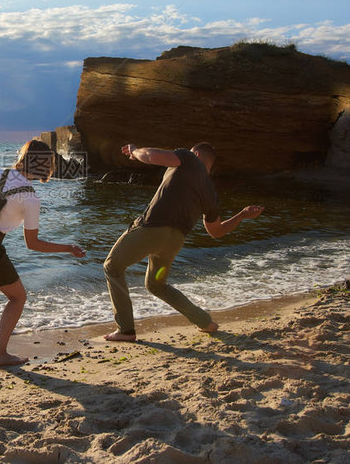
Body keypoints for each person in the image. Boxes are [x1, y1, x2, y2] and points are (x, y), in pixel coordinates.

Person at [103, 142, 264, 342]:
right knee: (156, 285)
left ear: (195, 153)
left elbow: (153, 156)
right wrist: (241, 215)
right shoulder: (209, 191)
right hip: (175, 241)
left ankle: (125, 330)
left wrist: (135, 151)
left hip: (152, 229)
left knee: (112, 266)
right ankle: (205, 322)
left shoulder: (188, 159)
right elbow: (216, 231)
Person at [0, 140, 86, 366]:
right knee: (17, 297)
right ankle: (0, 354)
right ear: (46, 167)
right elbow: (33, 244)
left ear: (23, 158)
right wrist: (67, 248)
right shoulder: (31, 198)